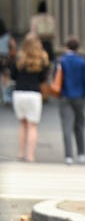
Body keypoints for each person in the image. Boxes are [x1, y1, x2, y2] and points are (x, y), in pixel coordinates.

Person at [55, 36, 85, 165]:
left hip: (65, 96)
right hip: (80, 97)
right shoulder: (82, 61)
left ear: (66, 47)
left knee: (66, 126)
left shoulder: (61, 61)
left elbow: (56, 78)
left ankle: (68, 156)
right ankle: (81, 154)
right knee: (79, 125)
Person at [10, 32, 49, 162]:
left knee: (22, 124)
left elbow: (13, 76)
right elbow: (43, 78)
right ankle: (30, 155)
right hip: (34, 94)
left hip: (19, 93)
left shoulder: (18, 59)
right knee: (32, 126)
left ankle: (21, 152)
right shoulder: (42, 59)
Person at [0, 17, 16, 105]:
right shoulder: (7, 35)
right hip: (4, 58)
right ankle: (6, 97)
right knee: (5, 78)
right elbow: (12, 45)